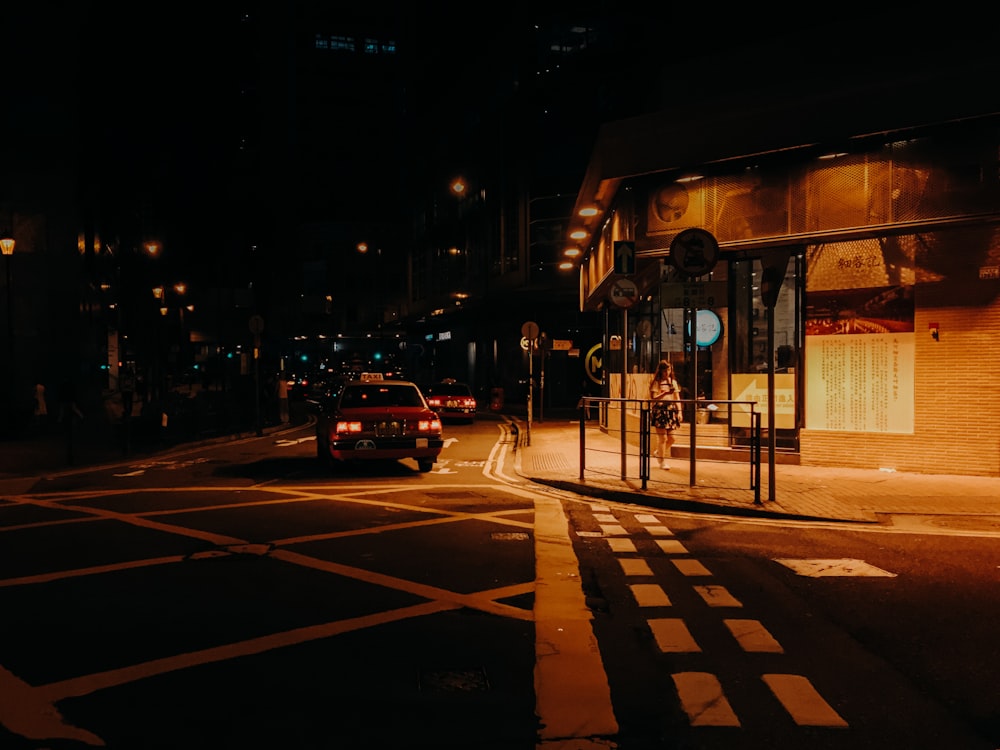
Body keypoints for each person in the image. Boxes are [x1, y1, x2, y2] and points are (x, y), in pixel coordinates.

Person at [649, 360, 682, 469]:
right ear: (661, 371)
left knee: (672, 438)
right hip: (660, 409)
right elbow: (653, 398)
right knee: (662, 438)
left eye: (669, 370)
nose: (667, 372)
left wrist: (679, 411)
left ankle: (659, 452)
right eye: (665, 370)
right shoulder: (656, 382)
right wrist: (665, 393)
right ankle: (662, 461)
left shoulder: (673, 382)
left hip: (670, 409)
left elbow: (677, 398)